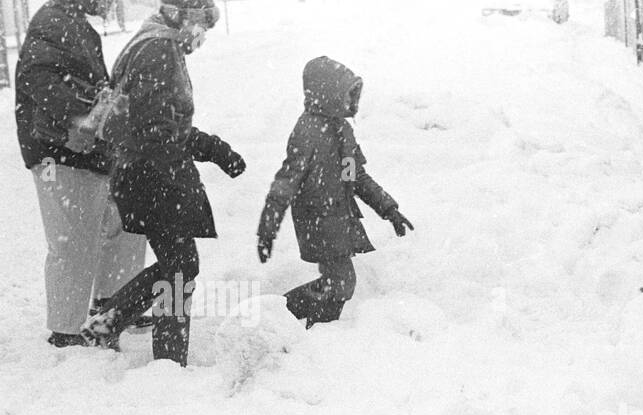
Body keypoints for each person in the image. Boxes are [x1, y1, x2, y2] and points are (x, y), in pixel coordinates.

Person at [80, 0, 246, 366]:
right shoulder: (159, 50)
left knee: (179, 263)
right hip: (153, 175)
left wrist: (208, 149)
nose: (201, 38)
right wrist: (213, 149)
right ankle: (165, 358)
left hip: (144, 171)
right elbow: (159, 128)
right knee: (181, 264)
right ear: (182, 17)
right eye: (201, 27)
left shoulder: (153, 41)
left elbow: (159, 122)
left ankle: (112, 321)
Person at [14, 0, 145, 348]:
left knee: (119, 222)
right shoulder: (55, 20)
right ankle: (66, 329)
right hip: (57, 152)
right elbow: (39, 79)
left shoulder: (72, 23)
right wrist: (80, 119)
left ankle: (112, 303)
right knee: (71, 237)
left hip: (83, 150)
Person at [256, 56, 414, 328]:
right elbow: (286, 182)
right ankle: (279, 317)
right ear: (328, 93)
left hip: (338, 217)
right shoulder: (307, 131)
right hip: (317, 219)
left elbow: (356, 177)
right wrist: (267, 228)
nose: (353, 103)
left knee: (339, 283)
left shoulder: (342, 128)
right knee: (341, 282)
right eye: (347, 96)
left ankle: (310, 328)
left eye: (355, 96)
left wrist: (389, 209)